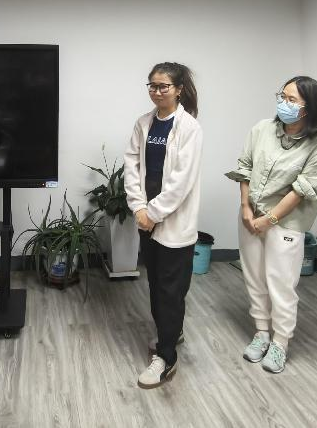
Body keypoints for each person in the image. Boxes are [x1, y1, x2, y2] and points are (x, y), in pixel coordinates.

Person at [226, 76, 317, 374]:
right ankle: (261, 333)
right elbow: (245, 167)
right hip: (251, 216)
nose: (284, 103)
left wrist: (269, 219)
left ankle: (280, 343)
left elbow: (301, 190)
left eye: (292, 99)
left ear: (309, 107)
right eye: (282, 96)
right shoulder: (262, 129)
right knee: (255, 278)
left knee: (281, 285)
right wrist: (246, 207)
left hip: (285, 223)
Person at [124, 61, 202, 389]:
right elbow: (131, 165)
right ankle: (170, 333)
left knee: (171, 292)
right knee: (156, 285)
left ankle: (166, 358)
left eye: (163, 86)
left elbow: (180, 183)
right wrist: (138, 207)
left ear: (178, 89)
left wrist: (152, 213)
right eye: (152, 86)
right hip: (146, 220)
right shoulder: (144, 123)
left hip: (173, 223)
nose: (157, 92)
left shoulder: (189, 128)